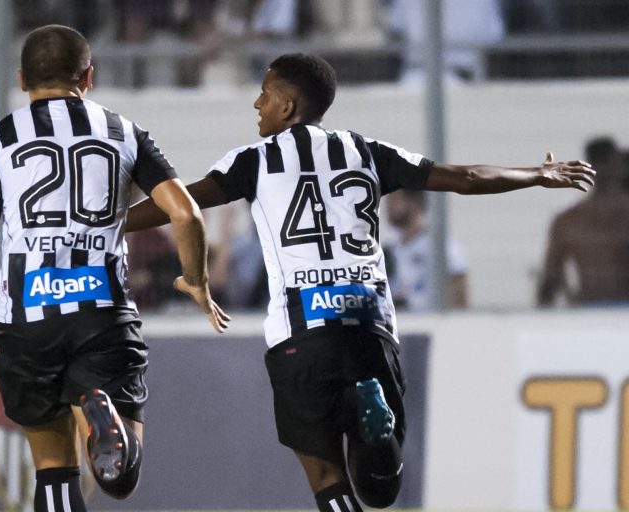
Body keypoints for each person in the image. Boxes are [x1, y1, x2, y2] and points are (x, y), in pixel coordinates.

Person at [126, 53, 595, 511]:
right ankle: (370, 418)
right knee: (380, 490)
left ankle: (364, 420)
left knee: (328, 479)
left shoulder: (253, 160)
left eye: (265, 94)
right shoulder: (367, 151)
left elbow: (182, 202)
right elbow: (466, 177)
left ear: (287, 106)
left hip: (300, 331)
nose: (256, 104)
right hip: (369, 325)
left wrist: (106, 224)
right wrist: (536, 173)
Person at [0, 24, 228, 512]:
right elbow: (185, 212)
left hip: (26, 319)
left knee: (54, 476)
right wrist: (197, 282)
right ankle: (103, 415)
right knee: (120, 480)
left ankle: (80, 452)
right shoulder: (123, 131)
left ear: (20, 79)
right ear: (89, 76)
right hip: (102, 315)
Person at [537, 136, 629, 306]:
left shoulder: (568, 220)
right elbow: (551, 277)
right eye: (600, 164)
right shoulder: (568, 220)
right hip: (588, 311)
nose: (605, 171)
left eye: (607, 164)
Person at [383, 189, 468, 310]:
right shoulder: (389, 249)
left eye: (395, 200)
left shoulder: (444, 248)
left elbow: (459, 295)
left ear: (414, 202)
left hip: (431, 322)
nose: (388, 206)